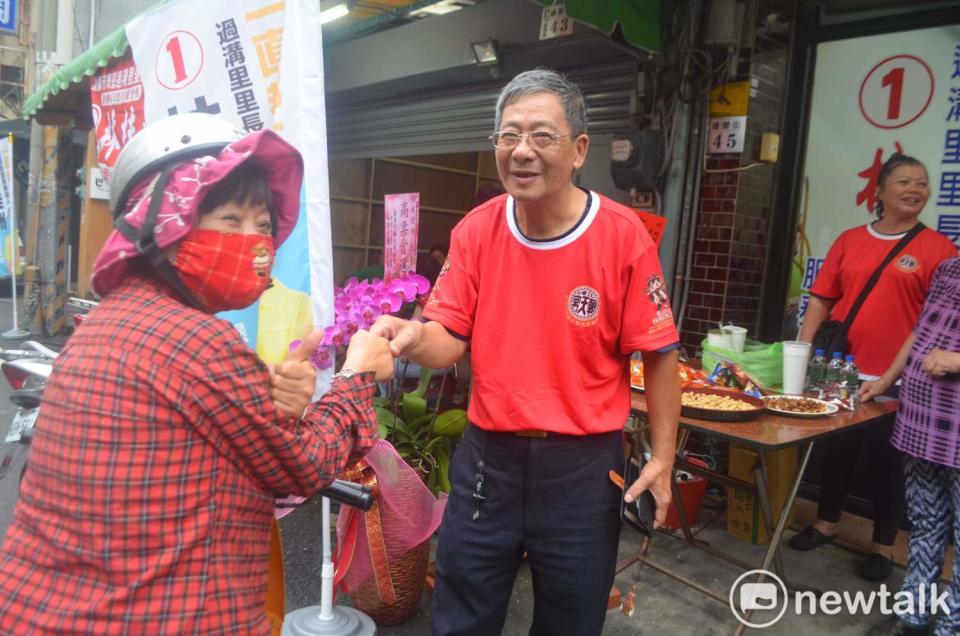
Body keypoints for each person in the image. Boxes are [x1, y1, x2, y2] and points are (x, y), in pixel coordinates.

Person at [0, 113, 393, 635]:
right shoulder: (197, 340)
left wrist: (270, 395)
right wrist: (357, 375)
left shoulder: (110, 320)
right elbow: (302, 466)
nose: (254, 241)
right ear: (167, 225)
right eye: (230, 219)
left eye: (263, 225)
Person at [371, 69, 681, 635]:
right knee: (462, 612)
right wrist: (414, 336)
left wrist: (662, 458)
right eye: (509, 136)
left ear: (580, 149)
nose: (522, 151)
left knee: (570, 619)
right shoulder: (475, 231)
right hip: (489, 462)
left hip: (583, 470)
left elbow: (659, 352)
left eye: (542, 136)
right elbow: (447, 336)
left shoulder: (621, 235)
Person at [792, 153, 957, 581]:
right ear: (879, 191)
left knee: (889, 463)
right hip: (840, 371)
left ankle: (883, 546)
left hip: (904, 380)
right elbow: (823, 298)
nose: (915, 189)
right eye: (904, 181)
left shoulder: (939, 250)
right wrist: (802, 351)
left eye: (922, 183)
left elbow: (938, 319)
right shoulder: (849, 240)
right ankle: (827, 523)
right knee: (835, 453)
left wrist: (898, 375)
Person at [858, 257, 960, 636]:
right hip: (922, 419)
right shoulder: (949, 268)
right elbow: (920, 332)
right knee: (926, 522)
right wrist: (886, 381)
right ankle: (913, 616)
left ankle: (953, 627)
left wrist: (956, 359)